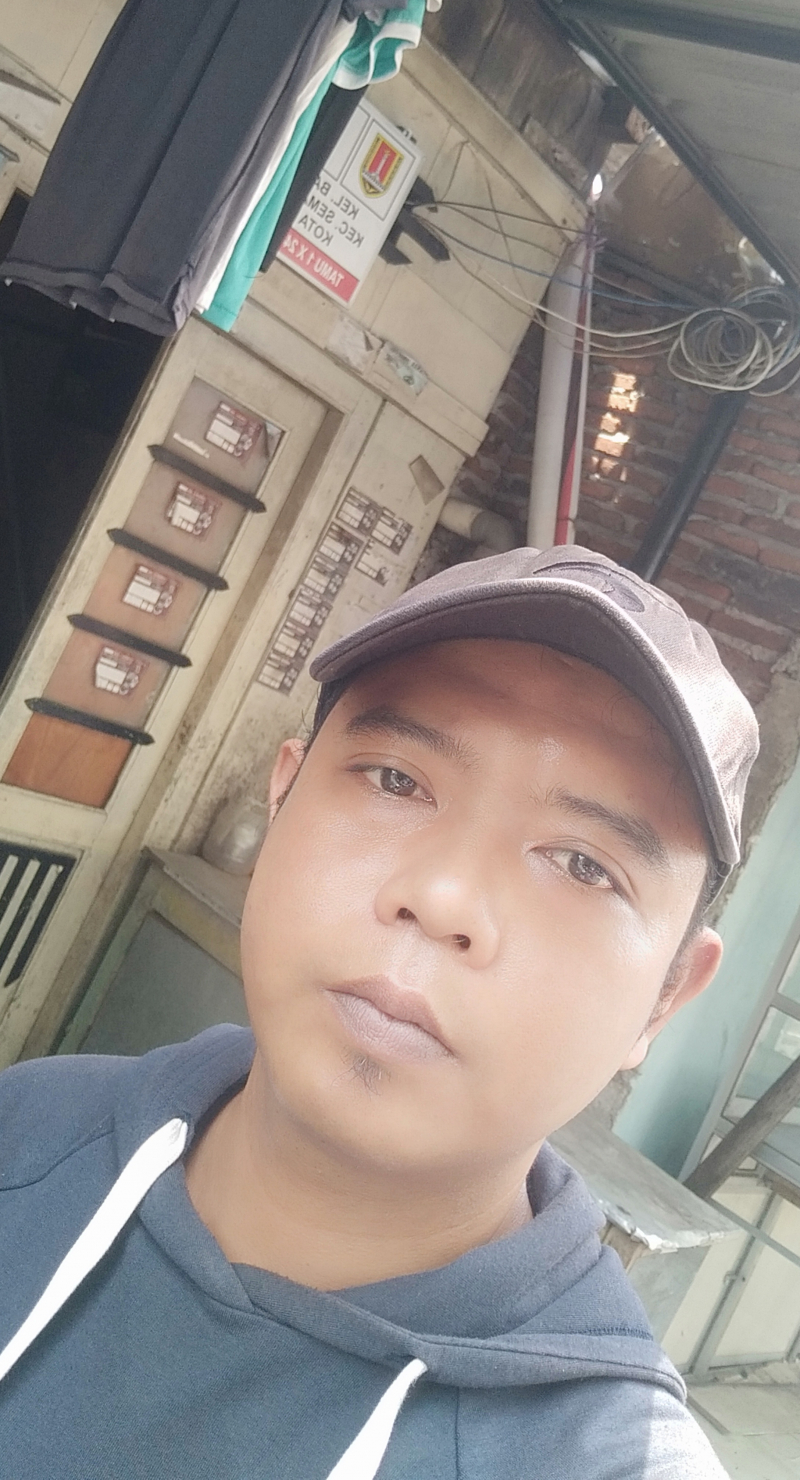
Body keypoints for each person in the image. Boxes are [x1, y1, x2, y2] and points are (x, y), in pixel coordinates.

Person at [0, 544, 759, 1478]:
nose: (442, 897)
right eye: (397, 780)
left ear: (666, 998)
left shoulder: (605, 1459)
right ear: (283, 796)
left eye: (583, 865)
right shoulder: (28, 1126)